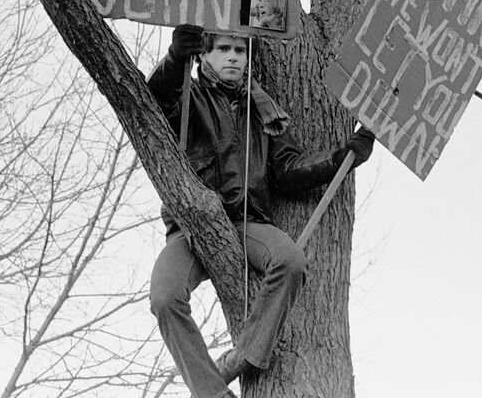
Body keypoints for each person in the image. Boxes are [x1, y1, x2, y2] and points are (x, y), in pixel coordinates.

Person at [147, 24, 375, 398]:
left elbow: (287, 169)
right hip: (190, 227)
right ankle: (211, 391)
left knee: (291, 261)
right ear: (204, 55)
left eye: (240, 50)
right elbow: (157, 98)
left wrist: (341, 158)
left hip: (246, 221)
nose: (234, 57)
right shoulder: (189, 95)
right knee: (164, 297)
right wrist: (175, 56)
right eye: (223, 49)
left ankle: (244, 358)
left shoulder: (262, 108)